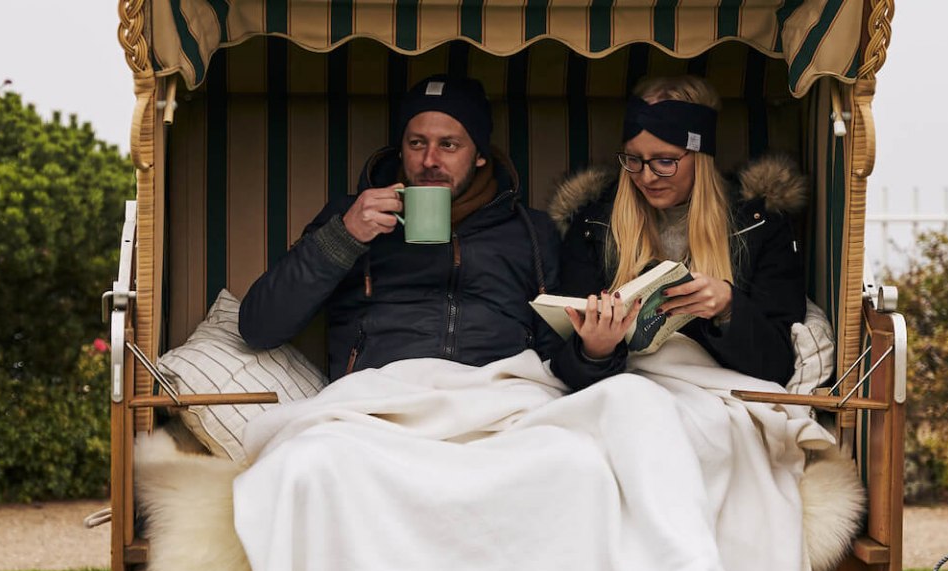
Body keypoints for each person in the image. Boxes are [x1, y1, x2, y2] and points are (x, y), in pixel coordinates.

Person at [240, 74, 564, 379]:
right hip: (379, 396)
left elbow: (558, 353)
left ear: (479, 154)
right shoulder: (352, 216)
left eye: (448, 145)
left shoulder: (531, 232)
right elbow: (259, 327)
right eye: (417, 143)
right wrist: (345, 236)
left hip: (497, 396)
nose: (429, 161)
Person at [548, 75, 808, 391]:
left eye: (665, 161)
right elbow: (557, 359)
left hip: (715, 395)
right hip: (624, 391)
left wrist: (728, 307)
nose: (646, 176)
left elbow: (778, 365)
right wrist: (594, 351)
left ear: (700, 155)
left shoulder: (759, 228)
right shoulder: (593, 226)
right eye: (633, 160)